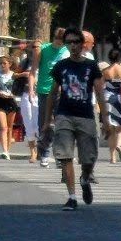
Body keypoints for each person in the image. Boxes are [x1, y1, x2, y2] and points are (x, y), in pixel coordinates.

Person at [48, 33, 103, 210]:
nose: (73, 45)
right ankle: (71, 197)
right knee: (65, 156)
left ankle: (85, 178)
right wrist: (47, 120)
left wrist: (106, 120)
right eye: (69, 42)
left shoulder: (91, 66)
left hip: (86, 115)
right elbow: (52, 93)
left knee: (89, 158)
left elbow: (99, 92)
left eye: (76, 42)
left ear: (83, 44)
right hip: (64, 115)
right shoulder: (61, 66)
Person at [37, 35, 72, 166]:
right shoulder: (44, 48)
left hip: (60, 92)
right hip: (44, 91)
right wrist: (36, 44)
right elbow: (33, 47)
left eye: (62, 41)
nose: (59, 43)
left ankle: (59, 155)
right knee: (45, 123)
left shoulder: (67, 52)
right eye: (57, 39)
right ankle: (44, 153)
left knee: (60, 124)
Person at [99, 45, 121, 164]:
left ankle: (112, 157)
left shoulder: (105, 71)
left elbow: (101, 87)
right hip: (120, 99)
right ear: (119, 58)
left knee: (111, 129)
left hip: (108, 98)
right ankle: (119, 145)